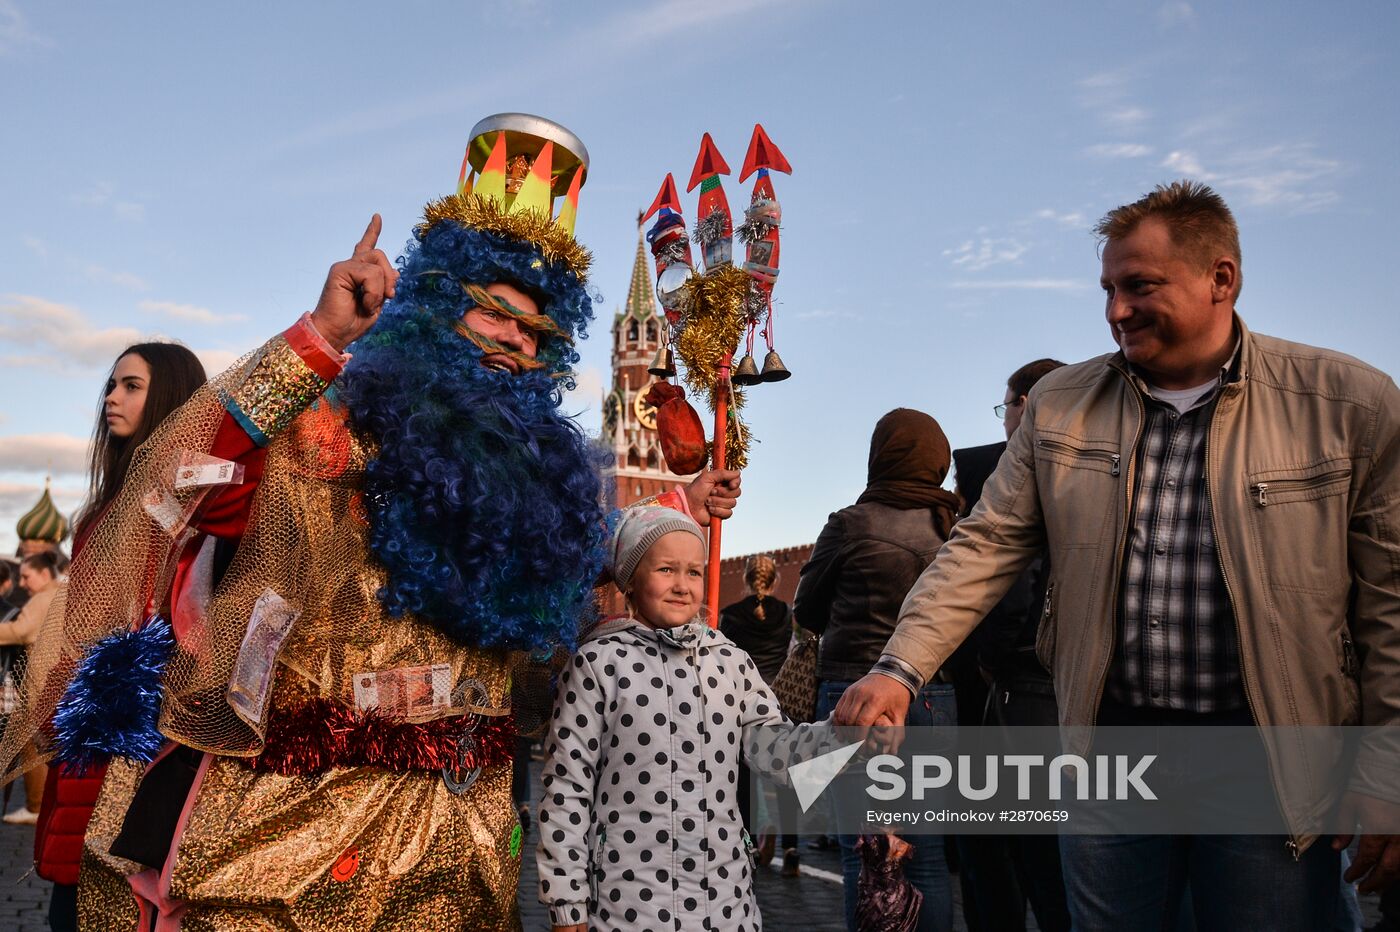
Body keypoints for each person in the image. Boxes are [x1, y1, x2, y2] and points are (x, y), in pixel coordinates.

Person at [0, 115, 740, 929]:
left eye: (535, 330)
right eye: (493, 311)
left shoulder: (534, 487)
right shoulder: (335, 430)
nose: (513, 342)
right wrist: (317, 339)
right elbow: (181, 487)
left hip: (466, 855)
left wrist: (682, 505)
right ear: (433, 305)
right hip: (303, 848)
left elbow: (576, 558)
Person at [835, 181, 1400, 930]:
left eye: (1139, 287)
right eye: (1107, 288)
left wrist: (1385, 768)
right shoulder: (1061, 406)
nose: (1115, 311)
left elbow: (1388, 606)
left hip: (1270, 760)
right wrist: (901, 666)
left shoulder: (1346, 405)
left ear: (1221, 279)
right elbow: (987, 540)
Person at [537, 507, 806, 931]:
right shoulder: (598, 664)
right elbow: (568, 788)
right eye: (666, 569)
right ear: (630, 580)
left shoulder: (729, 661)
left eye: (694, 572)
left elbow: (777, 751)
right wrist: (567, 901)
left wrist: (851, 743)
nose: (682, 586)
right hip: (629, 905)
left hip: (725, 902)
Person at [34, 342, 207, 932]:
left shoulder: (187, 501)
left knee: (112, 892)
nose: (111, 398)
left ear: (168, 396)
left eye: (131, 386)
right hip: (89, 723)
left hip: (140, 734)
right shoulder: (106, 508)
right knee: (77, 892)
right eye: (112, 385)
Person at [794, 407, 961, 932]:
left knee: (862, 857)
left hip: (854, 697)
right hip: (934, 698)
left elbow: (807, 610)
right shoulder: (956, 531)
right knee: (928, 860)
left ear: (879, 456)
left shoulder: (850, 523)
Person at [948, 358, 1071, 932]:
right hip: (1068, 690)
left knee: (1020, 855)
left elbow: (1012, 584)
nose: (1004, 421)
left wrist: (993, 662)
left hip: (1021, 693)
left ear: (1030, 403)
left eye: (1008, 406)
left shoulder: (1000, 475)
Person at [721, 554, 801, 875]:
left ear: (746, 578)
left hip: (743, 703)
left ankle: (750, 844)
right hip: (778, 699)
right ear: (774, 580)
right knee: (787, 776)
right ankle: (792, 847)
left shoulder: (731, 616)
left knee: (745, 779)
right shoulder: (785, 614)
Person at [0, 550, 62, 825]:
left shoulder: (43, 598)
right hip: (56, 678)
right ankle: (44, 805)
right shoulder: (63, 592)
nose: (22, 583)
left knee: (31, 743)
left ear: (44, 574)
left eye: (26, 576)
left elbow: (20, 631)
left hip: (42, 680)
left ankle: (37, 807)